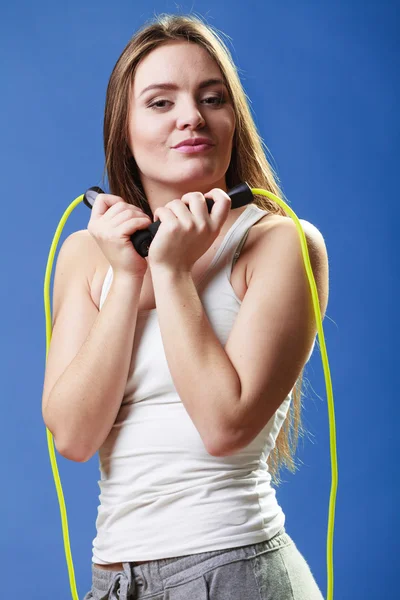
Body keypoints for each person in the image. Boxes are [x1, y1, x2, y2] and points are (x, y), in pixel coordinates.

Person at [42, 13, 329, 600]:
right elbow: (72, 435)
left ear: (233, 121)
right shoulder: (86, 255)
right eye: (160, 102)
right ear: (124, 130)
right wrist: (127, 278)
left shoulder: (281, 244)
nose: (190, 117)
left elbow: (225, 425)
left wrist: (170, 272)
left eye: (211, 98)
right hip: (116, 580)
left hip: (238, 573)